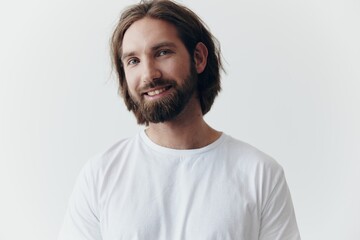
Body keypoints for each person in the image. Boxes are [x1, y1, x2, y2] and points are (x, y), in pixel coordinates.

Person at [58, 0, 301, 239]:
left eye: (162, 52)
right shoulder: (100, 175)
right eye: (133, 61)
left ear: (198, 58)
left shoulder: (259, 174)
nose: (149, 74)